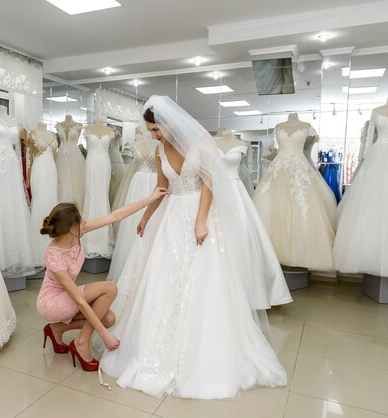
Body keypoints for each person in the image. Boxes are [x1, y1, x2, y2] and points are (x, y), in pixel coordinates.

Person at [100, 96, 289, 399]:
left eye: (155, 130)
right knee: (163, 280)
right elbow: (161, 189)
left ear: (168, 123)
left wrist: (200, 221)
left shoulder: (199, 141)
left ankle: (200, 354)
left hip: (198, 214)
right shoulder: (161, 149)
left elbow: (209, 183)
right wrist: (146, 216)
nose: (153, 136)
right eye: (150, 132)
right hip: (170, 216)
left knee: (201, 281)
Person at [36, 187, 168, 371]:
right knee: (110, 288)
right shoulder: (53, 255)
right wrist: (104, 335)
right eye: (80, 220)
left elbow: (115, 216)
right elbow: (80, 301)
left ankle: (57, 329)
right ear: (70, 228)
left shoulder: (77, 234)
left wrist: (150, 199)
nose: (84, 222)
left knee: (108, 318)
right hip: (51, 302)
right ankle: (82, 342)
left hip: (66, 298)